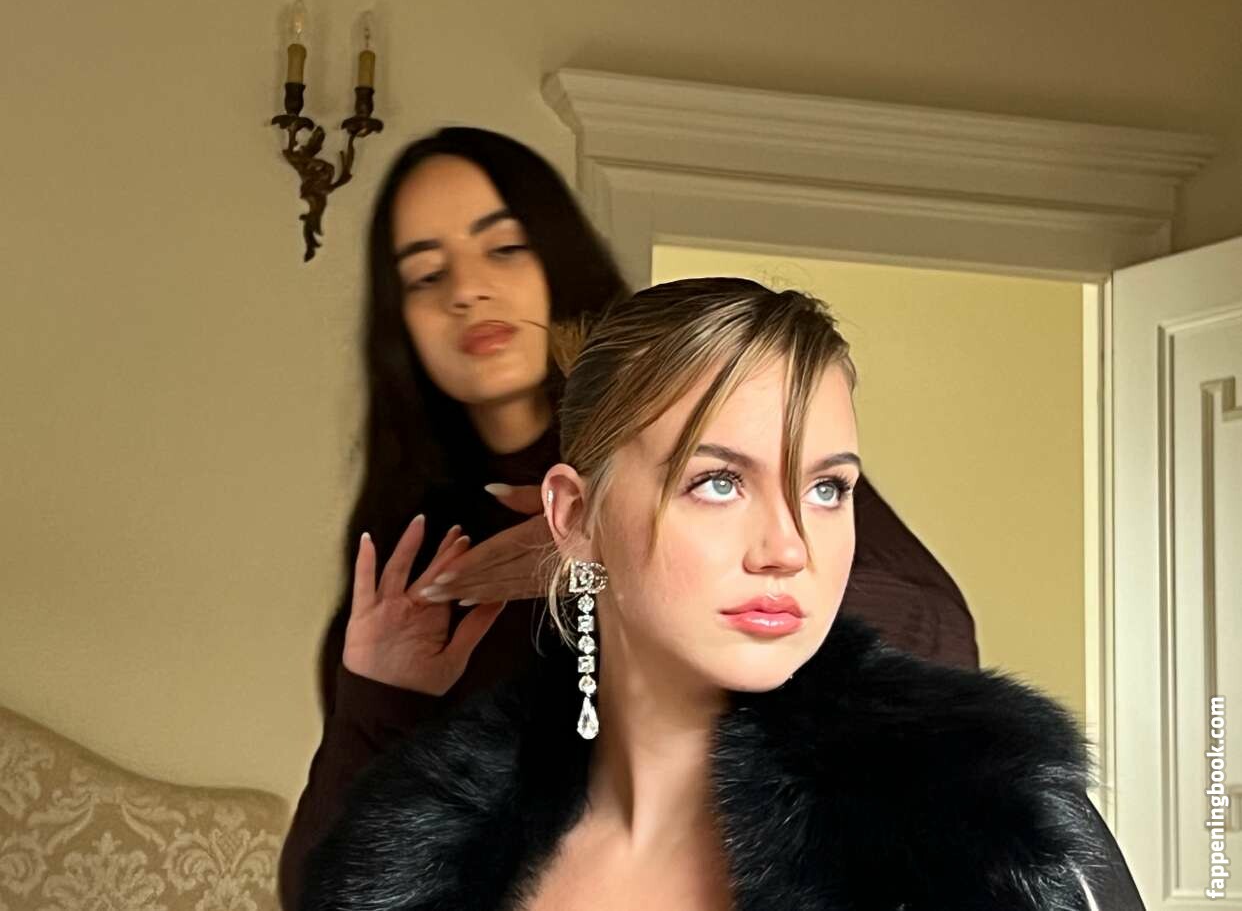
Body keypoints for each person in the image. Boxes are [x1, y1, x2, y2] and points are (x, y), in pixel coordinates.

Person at [279, 129, 978, 908]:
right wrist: (377, 702)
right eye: (428, 274)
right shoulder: (416, 562)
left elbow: (933, 631)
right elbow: (328, 890)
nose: (467, 291)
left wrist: (591, 554)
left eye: (503, 249)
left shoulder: (718, 414)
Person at [301, 278, 1144, 911]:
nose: (788, 549)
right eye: (717, 482)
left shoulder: (990, 821)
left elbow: (928, 618)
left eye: (827, 489)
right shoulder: (427, 837)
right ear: (575, 516)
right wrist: (378, 704)